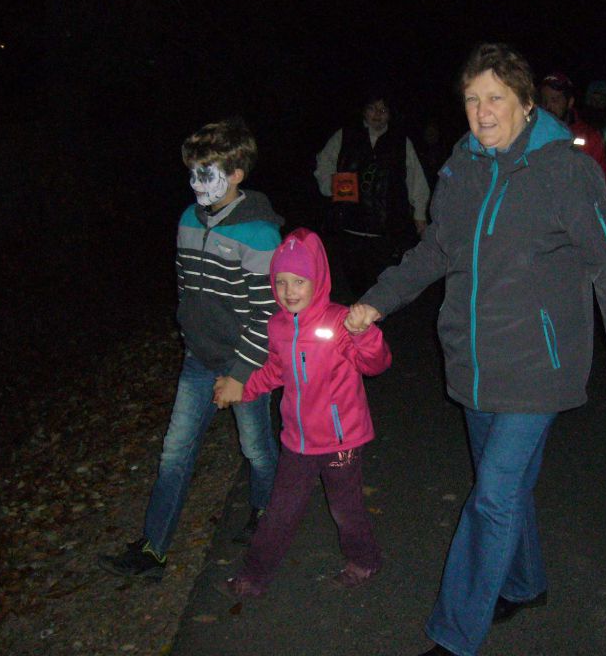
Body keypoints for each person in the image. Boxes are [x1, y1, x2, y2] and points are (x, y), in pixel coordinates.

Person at [345, 43, 606, 656]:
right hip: (474, 360)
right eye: (472, 99)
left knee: (491, 497)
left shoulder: (567, 171)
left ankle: (454, 633)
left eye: (496, 98)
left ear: (526, 102)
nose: (483, 112)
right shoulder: (460, 166)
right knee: (506, 487)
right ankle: (524, 581)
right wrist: (377, 301)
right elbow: (436, 250)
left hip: (539, 366)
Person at [98, 118, 283, 580]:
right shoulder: (186, 220)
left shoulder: (259, 234)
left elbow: (268, 315)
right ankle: (153, 549)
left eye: (207, 171)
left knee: (256, 449)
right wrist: (190, 335)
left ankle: (265, 513)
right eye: (193, 171)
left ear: (236, 173)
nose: (197, 181)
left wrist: (239, 373)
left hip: (246, 362)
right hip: (198, 360)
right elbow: (185, 289)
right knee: (174, 453)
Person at [216, 227, 391, 597]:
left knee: (345, 509)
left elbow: (375, 364)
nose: (289, 291)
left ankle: (365, 559)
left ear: (318, 280)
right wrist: (242, 387)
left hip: (341, 439)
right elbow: (275, 371)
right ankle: (254, 577)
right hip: (297, 440)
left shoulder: (339, 320)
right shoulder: (278, 326)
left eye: (299, 281)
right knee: (280, 511)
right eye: (281, 282)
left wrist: (363, 334)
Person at [314, 89, 431, 299]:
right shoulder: (345, 134)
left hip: (386, 230)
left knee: (381, 287)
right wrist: (333, 187)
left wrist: (420, 215)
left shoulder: (401, 141)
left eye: (383, 110)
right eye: (372, 109)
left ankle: (375, 318)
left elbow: (416, 179)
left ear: (390, 114)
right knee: (354, 285)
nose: (377, 114)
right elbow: (323, 163)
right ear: (364, 111)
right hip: (349, 226)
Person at [539, 70, 606, 186]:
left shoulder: (590, 136)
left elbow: (601, 182)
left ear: (569, 102)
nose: (548, 106)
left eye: (555, 100)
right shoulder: (532, 134)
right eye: (544, 101)